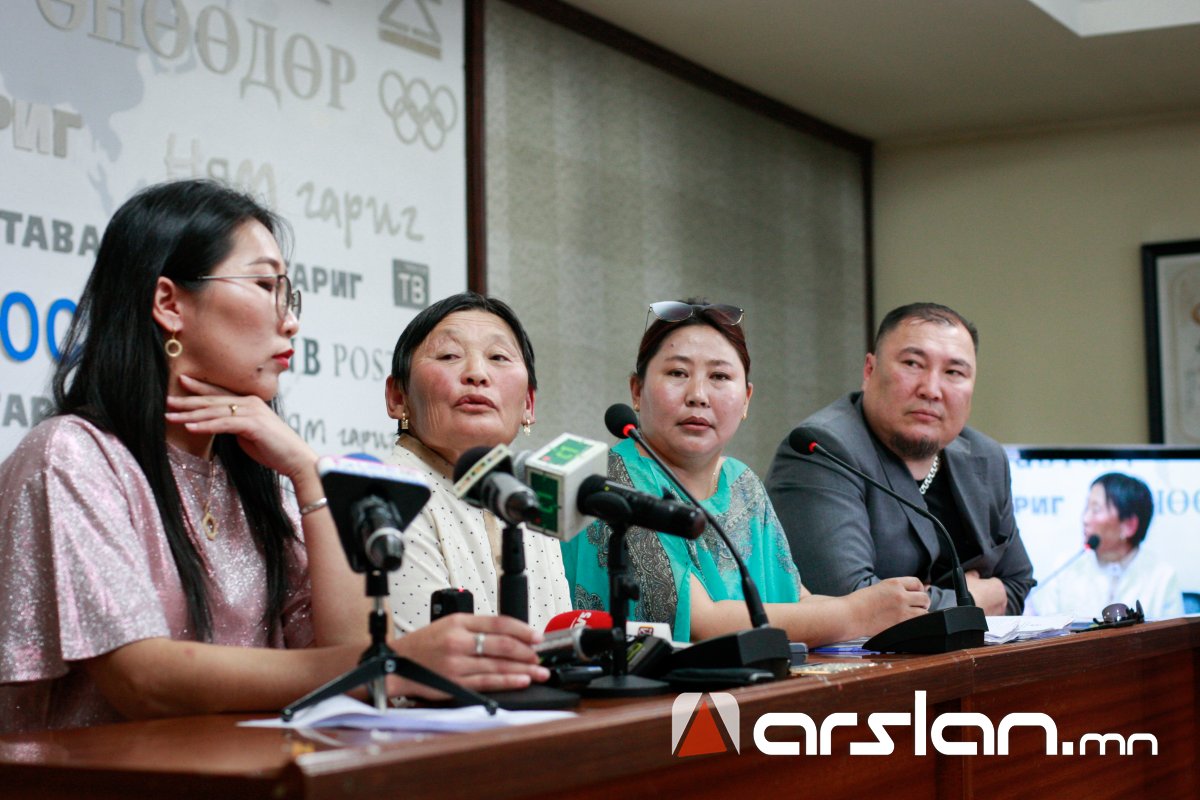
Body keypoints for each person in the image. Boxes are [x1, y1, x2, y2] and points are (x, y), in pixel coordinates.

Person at [0, 181, 545, 733]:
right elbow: (143, 680)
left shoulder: (259, 481)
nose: (290, 322)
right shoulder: (72, 456)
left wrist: (310, 475)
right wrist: (390, 663)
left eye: (288, 296)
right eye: (264, 286)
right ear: (169, 304)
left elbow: (343, 655)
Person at [561, 300, 930, 645]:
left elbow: (796, 600)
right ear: (636, 391)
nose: (698, 394)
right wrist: (855, 614)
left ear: (746, 400)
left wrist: (886, 608)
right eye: (677, 372)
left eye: (720, 376)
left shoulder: (740, 482)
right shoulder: (614, 480)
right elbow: (701, 622)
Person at [766, 302, 1034, 616]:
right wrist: (971, 599)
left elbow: (1018, 584)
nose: (931, 390)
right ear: (869, 371)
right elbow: (847, 602)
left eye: (954, 372)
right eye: (913, 364)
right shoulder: (823, 450)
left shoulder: (986, 457)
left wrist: (926, 600)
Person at [383, 292, 572, 633]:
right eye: (449, 355)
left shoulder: (530, 498)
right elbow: (424, 660)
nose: (476, 373)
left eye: (498, 357)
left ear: (529, 404)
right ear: (398, 397)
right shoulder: (389, 494)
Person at [1027, 473, 1183, 620]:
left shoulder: (1163, 577)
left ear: (1129, 525)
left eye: (1096, 510)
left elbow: (1174, 636)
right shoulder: (1065, 568)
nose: (1085, 519)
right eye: (1087, 508)